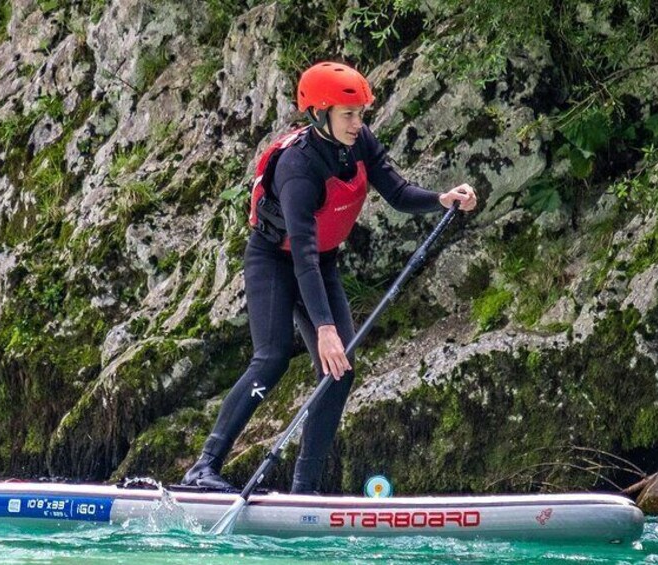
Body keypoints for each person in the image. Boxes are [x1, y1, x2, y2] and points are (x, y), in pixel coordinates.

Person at [182, 61, 477, 494]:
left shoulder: (358, 141)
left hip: (322, 263)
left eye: (360, 114)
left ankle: (305, 489)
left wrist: (441, 198)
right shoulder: (298, 170)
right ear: (320, 114)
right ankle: (203, 467)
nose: (358, 123)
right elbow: (300, 252)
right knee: (273, 357)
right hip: (276, 263)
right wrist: (323, 329)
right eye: (348, 114)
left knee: (339, 372)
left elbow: (397, 192)